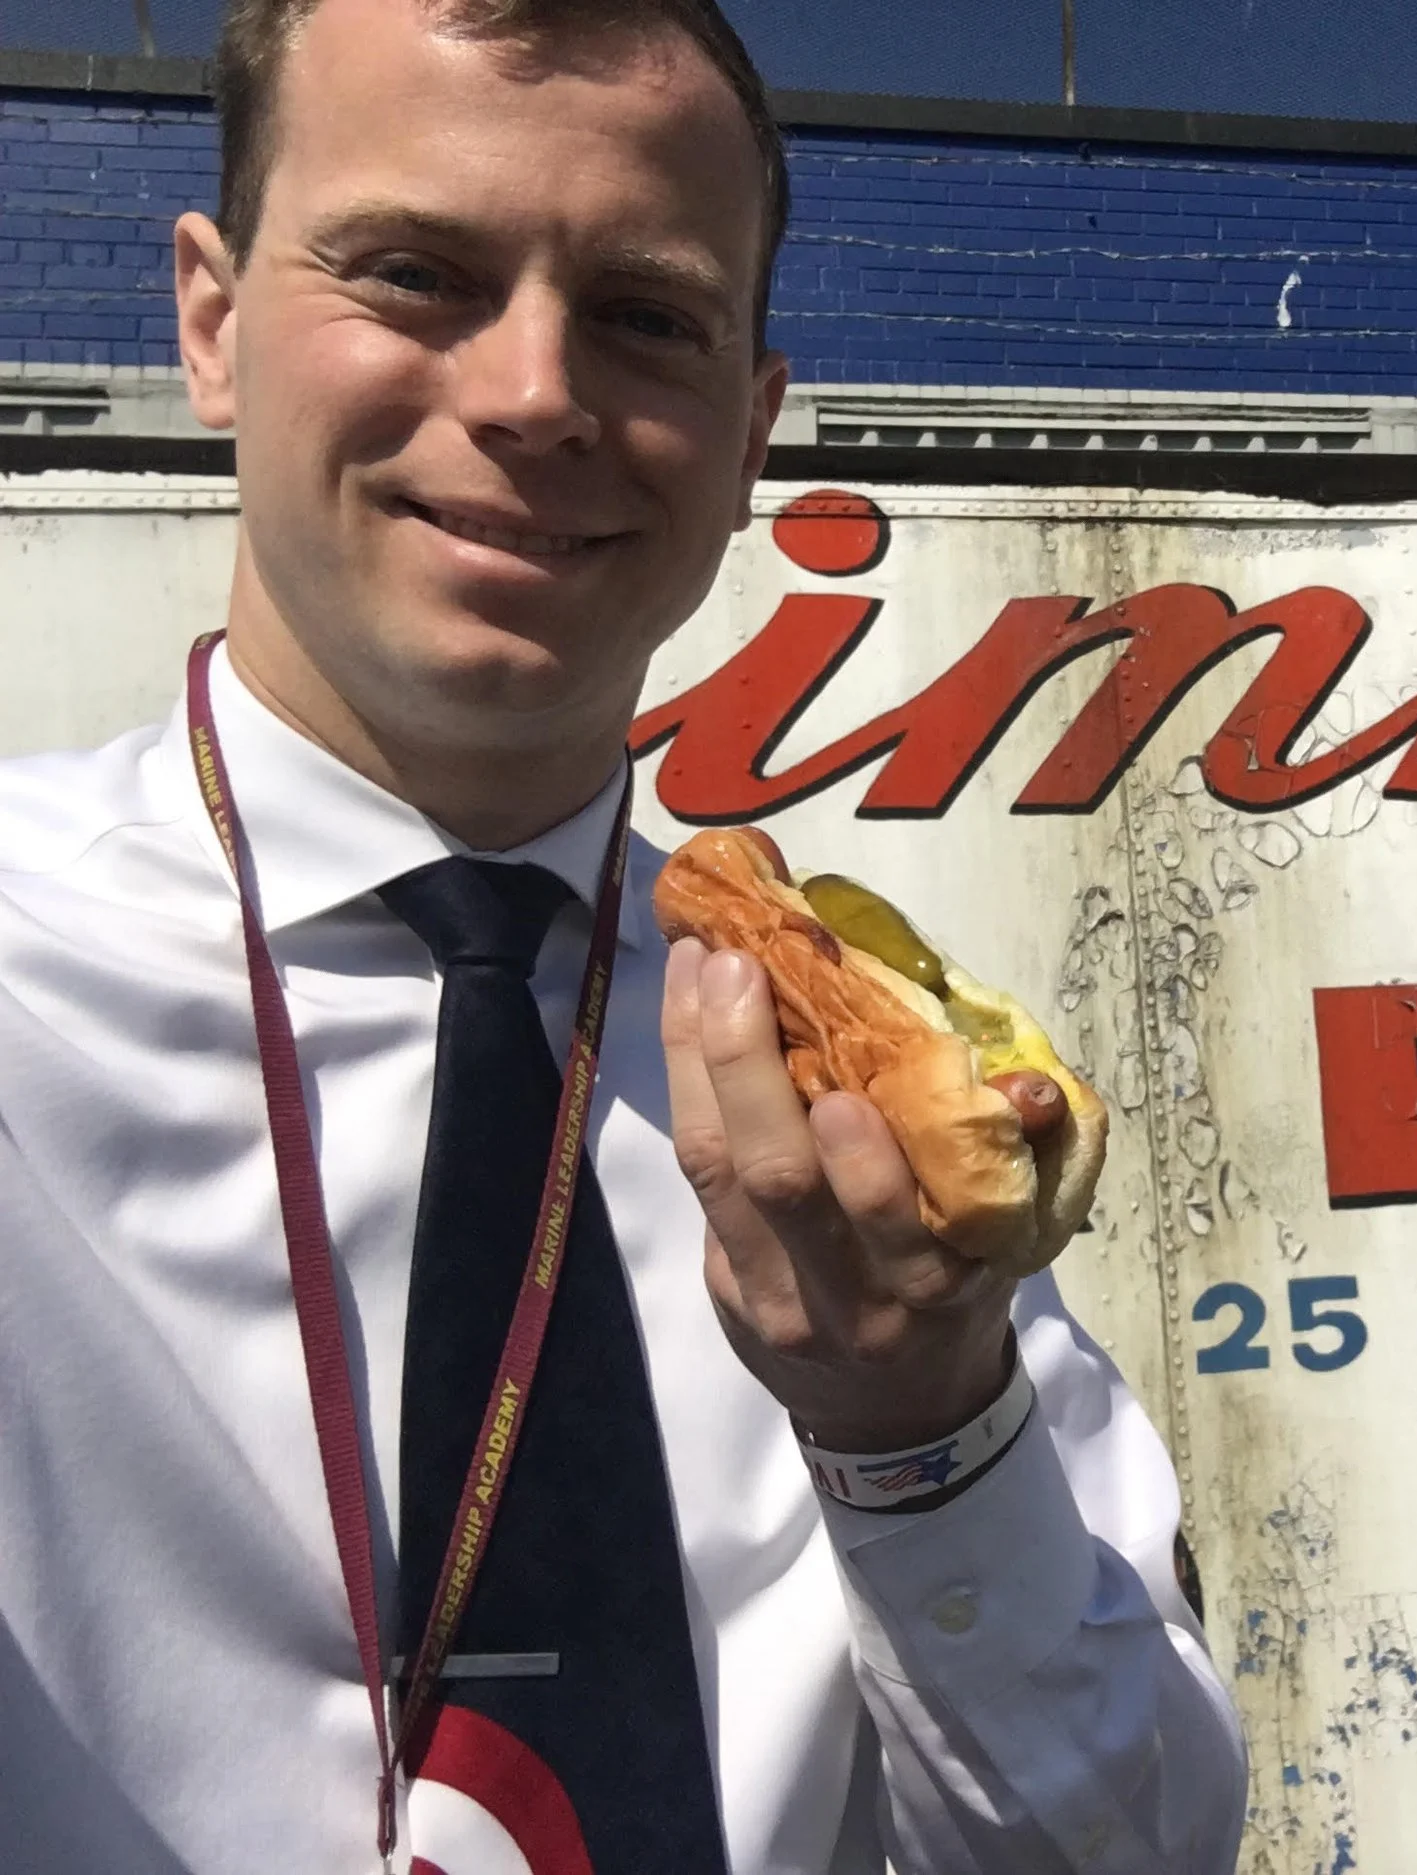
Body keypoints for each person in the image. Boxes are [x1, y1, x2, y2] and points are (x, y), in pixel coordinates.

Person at [0, 0, 1247, 1868]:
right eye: (416, 271)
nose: (531, 394)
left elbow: (1130, 1852)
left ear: (749, 426)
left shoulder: (849, 1099)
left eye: (648, 315)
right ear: (212, 323)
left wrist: (917, 1431)